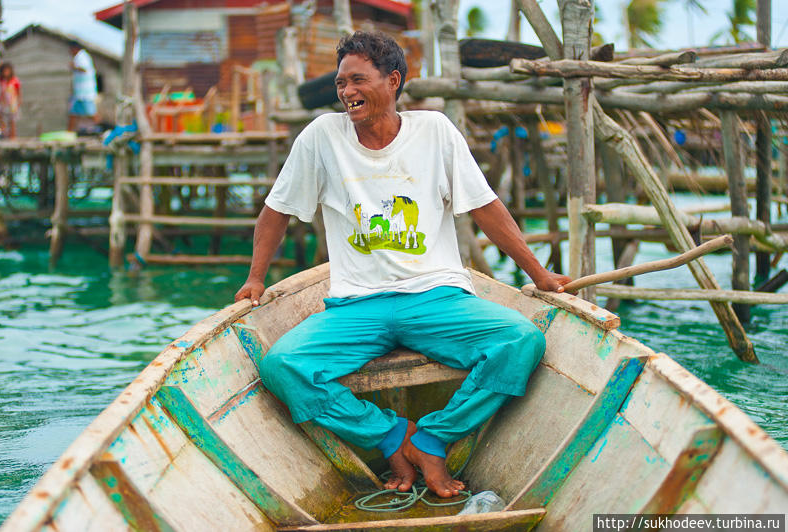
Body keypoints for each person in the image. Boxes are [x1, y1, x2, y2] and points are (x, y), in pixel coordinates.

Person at [235, 31, 571, 498]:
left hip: (436, 296)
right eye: (340, 84)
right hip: (356, 306)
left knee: (521, 341)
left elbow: (485, 206)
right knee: (283, 365)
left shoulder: (434, 131)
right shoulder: (321, 136)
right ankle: (394, 437)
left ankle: (434, 438)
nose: (347, 92)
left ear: (392, 81)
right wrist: (255, 279)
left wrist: (541, 275)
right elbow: (277, 210)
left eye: (358, 80)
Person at [67, 40, 98, 132]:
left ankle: (102, 129)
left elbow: (84, 69)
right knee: (73, 113)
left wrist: (74, 67)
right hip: (79, 93)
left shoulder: (82, 56)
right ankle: (69, 132)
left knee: (91, 112)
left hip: (86, 92)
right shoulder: (78, 57)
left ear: (75, 48)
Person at [0, 62, 21, 139]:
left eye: (7, 71)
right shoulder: (2, 80)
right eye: (4, 71)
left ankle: (12, 137)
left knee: (12, 121)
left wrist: (19, 101)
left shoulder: (15, 80)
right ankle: (3, 126)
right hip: (3, 102)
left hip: (12, 103)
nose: (6, 73)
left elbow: (18, 92)